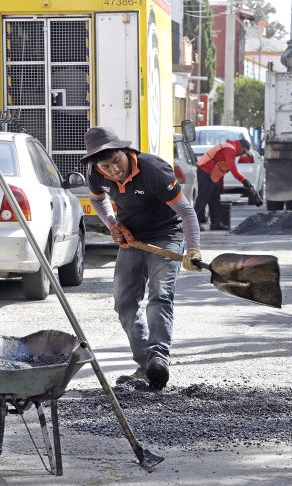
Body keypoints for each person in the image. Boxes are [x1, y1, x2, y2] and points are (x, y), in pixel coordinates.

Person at [82, 127, 203, 391]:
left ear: (125, 152)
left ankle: (159, 357)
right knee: (124, 303)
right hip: (131, 237)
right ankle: (148, 365)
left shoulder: (153, 170)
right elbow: (97, 200)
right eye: (106, 166)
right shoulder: (95, 173)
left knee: (160, 295)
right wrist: (112, 223)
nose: (114, 170)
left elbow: (186, 211)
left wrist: (192, 249)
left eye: (117, 161)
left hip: (166, 234)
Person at [194, 137, 260, 231]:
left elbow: (221, 170)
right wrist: (243, 180)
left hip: (212, 173)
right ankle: (194, 224)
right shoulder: (230, 149)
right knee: (203, 197)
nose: (243, 154)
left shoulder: (231, 149)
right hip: (205, 170)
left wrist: (220, 186)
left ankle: (216, 223)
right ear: (241, 147)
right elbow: (232, 168)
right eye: (244, 151)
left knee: (215, 198)